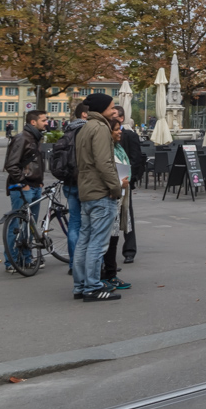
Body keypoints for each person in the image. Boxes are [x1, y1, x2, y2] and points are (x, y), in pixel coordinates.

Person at [72, 93, 125, 302]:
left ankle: (81, 285)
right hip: (100, 191)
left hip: (86, 190)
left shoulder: (84, 127)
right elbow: (104, 163)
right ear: (103, 108)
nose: (114, 111)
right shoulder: (101, 128)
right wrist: (116, 187)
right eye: (112, 107)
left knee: (84, 241)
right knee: (97, 243)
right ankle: (93, 287)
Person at [2, 110, 48, 273]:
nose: (47, 122)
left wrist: (39, 182)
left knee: (30, 226)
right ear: (33, 122)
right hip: (22, 187)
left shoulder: (35, 138)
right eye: (44, 120)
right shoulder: (22, 138)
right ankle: (11, 261)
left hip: (34, 186)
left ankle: (26, 258)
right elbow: (11, 164)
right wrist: (24, 183)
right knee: (16, 224)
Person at [54, 103, 90, 271]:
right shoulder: (87, 131)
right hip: (85, 183)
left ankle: (72, 263)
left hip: (69, 183)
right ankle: (85, 263)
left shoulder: (67, 132)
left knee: (74, 223)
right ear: (84, 114)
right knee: (88, 223)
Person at [100, 116, 132, 291]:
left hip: (119, 196)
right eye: (116, 129)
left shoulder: (118, 148)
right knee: (106, 239)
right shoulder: (107, 150)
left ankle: (111, 274)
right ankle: (104, 275)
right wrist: (119, 184)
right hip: (110, 196)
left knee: (113, 238)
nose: (120, 131)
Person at [113, 107, 144, 264]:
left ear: (122, 118)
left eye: (115, 116)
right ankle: (112, 250)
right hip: (113, 181)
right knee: (114, 216)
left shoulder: (130, 135)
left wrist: (129, 176)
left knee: (126, 214)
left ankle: (129, 250)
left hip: (125, 179)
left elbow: (136, 158)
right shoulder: (107, 135)